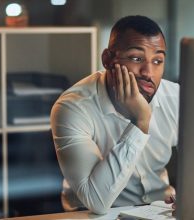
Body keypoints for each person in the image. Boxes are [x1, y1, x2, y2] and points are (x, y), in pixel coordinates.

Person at [50, 15, 179, 214]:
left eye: (157, 61)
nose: (148, 72)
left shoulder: (175, 98)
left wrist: (193, 197)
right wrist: (141, 121)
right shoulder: (72, 107)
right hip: (91, 215)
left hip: (160, 211)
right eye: (136, 58)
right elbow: (96, 201)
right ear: (108, 60)